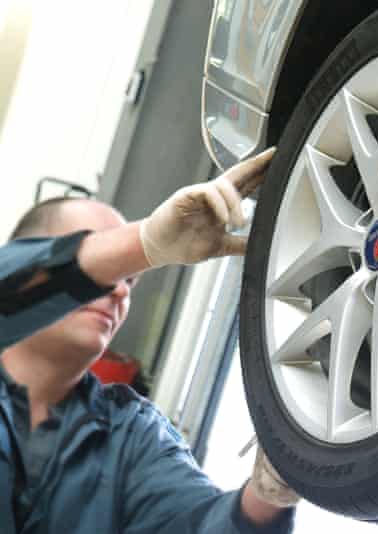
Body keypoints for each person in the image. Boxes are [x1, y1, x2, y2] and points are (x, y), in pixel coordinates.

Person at [0, 148, 301, 533]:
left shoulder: (131, 432)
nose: (120, 290)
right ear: (28, 258)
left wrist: (270, 492)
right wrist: (142, 244)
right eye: (107, 264)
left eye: (130, 278)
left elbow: (201, 525)